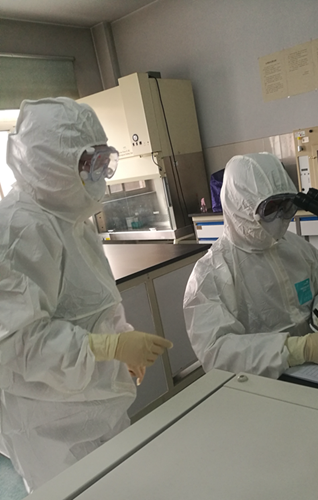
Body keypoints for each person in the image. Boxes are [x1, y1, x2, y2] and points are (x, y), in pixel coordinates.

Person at [0, 97, 173, 492]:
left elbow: (94, 306)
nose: (98, 174)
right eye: (86, 162)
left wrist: (120, 344)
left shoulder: (72, 219)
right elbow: (18, 344)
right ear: (48, 161)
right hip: (48, 424)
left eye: (102, 160)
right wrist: (110, 347)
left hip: (99, 399)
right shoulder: (16, 231)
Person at [183, 152, 318, 379]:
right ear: (241, 207)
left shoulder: (297, 248)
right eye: (271, 207)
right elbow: (216, 352)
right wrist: (298, 350)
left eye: (287, 205)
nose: (281, 216)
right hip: (258, 382)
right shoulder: (210, 274)